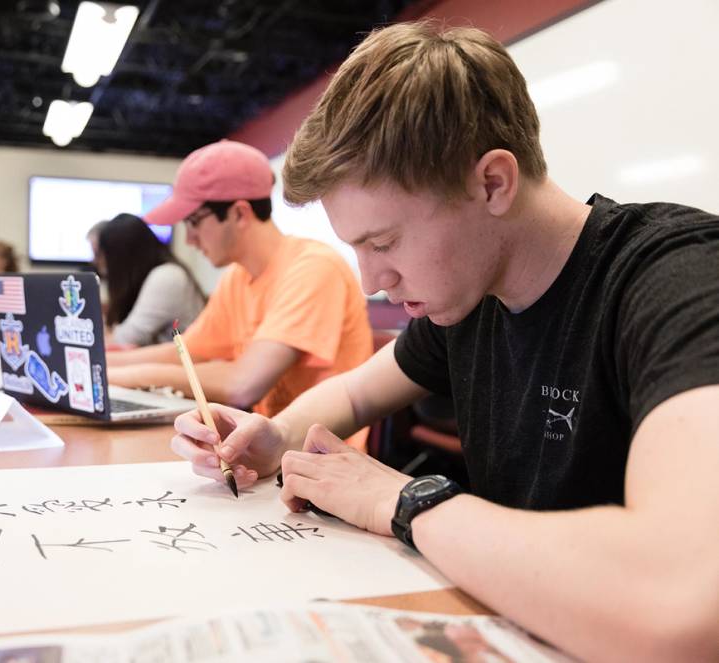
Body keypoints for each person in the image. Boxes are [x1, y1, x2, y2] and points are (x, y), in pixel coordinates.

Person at [170, 21, 719, 661]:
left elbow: (685, 600)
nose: (372, 280)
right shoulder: (471, 298)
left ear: (492, 183)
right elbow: (351, 393)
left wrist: (405, 501)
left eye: (383, 242)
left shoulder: (676, 280)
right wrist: (276, 436)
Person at [107, 140, 373, 447]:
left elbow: (243, 385)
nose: (190, 239)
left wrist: (129, 375)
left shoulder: (313, 267)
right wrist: (102, 364)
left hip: (321, 464)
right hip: (268, 454)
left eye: (193, 222)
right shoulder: (236, 277)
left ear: (240, 213)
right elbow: (184, 353)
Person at [95, 213, 205, 347]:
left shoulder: (167, 276)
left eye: (100, 255)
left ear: (119, 256)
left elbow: (126, 339)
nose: (97, 263)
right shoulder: (155, 276)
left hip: (184, 364)